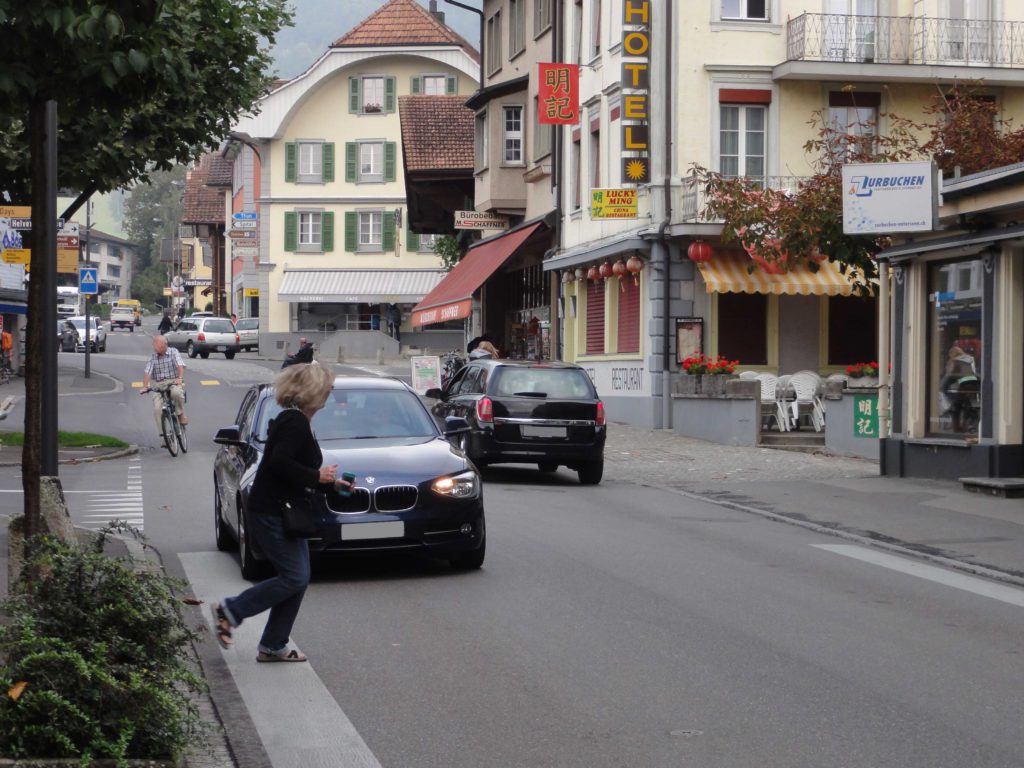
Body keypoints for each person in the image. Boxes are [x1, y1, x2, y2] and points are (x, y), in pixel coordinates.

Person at [210, 363, 353, 662]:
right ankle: (230, 611)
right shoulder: (294, 422)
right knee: (294, 577)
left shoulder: (296, 421)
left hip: (285, 511)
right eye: (327, 385)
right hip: (272, 512)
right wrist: (318, 477)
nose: (330, 390)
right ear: (312, 391)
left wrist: (330, 484)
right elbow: (278, 463)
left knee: (298, 577)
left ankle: (273, 644)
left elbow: (292, 471)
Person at [141, 335, 187, 430]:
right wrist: (145, 387)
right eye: (154, 345)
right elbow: (147, 371)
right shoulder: (153, 357)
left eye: (156, 345)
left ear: (164, 345)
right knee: (157, 409)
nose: (154, 347)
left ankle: (180, 414)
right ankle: (163, 436)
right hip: (159, 384)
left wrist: (180, 378)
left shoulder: (173, 352)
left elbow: (180, 365)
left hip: (173, 380)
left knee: (177, 393)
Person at [941, 344, 979, 432]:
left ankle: (957, 429)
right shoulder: (969, 359)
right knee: (965, 405)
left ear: (953, 354)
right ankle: (967, 424)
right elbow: (970, 373)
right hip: (974, 385)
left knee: (956, 407)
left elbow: (951, 375)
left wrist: (944, 386)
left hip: (965, 385)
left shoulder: (956, 361)